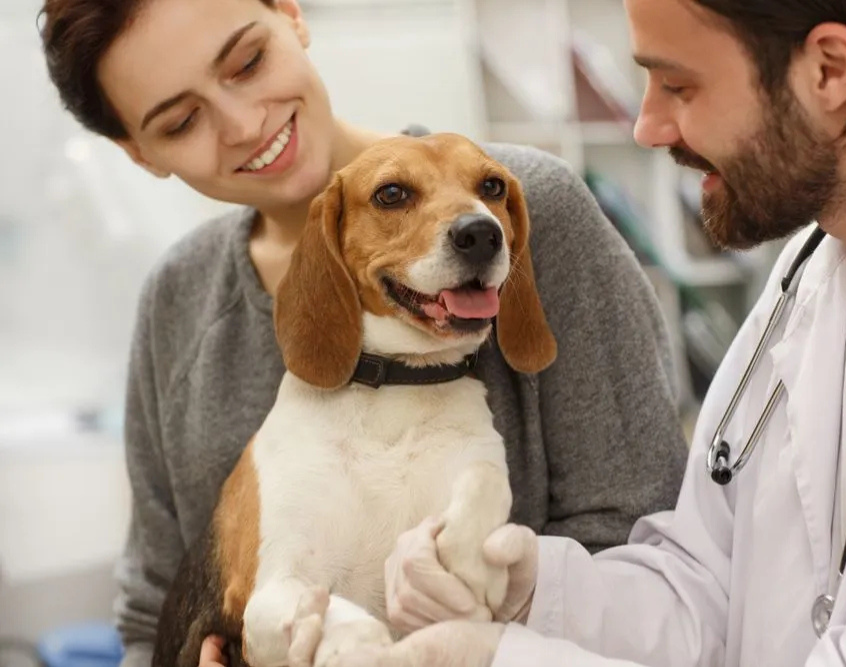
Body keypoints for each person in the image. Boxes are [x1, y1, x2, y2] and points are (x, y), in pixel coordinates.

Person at [36, 1, 691, 666]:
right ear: (139, 152)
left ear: (290, 14)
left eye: (248, 62)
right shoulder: (176, 299)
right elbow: (151, 613)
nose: (243, 123)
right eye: (181, 121)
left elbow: (646, 547)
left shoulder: (531, 208)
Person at [358, 0, 846, 666]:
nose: (647, 126)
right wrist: (536, 592)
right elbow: (706, 590)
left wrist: (502, 658)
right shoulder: (813, 270)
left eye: (678, 85)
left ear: (831, 70)